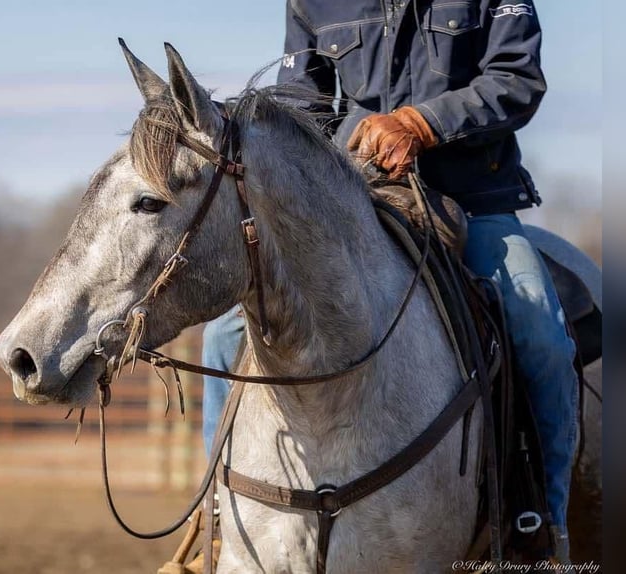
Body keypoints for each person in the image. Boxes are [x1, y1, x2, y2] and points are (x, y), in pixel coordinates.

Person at [201, 0, 577, 563]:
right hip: (351, 203)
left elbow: (517, 78)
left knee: (541, 336)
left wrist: (422, 124)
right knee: (222, 339)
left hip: (475, 201)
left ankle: (541, 525)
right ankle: (216, 515)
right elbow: (298, 105)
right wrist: (362, 131)